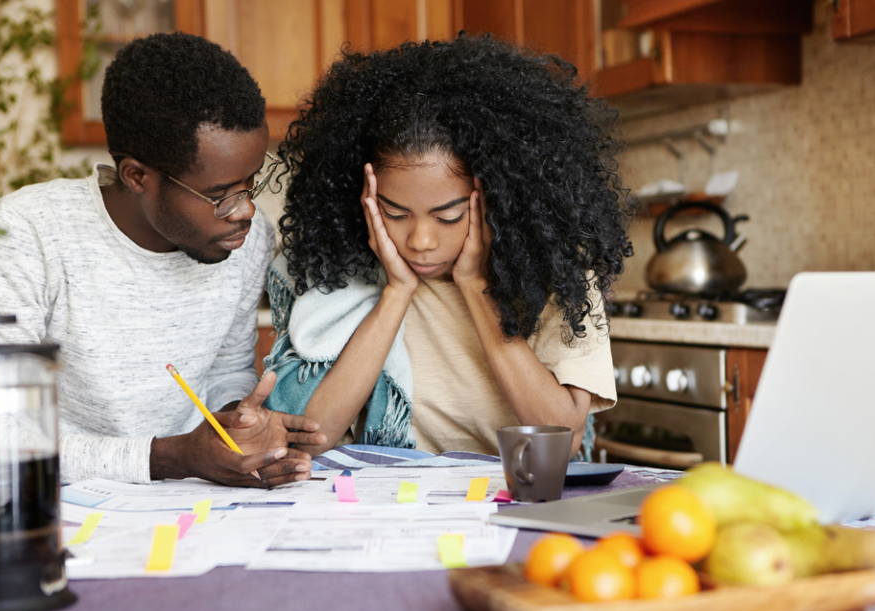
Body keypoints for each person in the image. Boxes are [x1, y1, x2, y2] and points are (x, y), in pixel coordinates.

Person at [0, 32, 325, 487]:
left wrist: (238, 422)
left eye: (250, 182)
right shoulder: (28, 233)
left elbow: (225, 372)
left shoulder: (246, 242)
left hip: (187, 509)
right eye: (218, 195)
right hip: (55, 513)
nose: (246, 209)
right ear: (137, 176)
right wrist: (170, 458)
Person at [262, 34, 632, 461]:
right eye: (395, 214)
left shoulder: (557, 273)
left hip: (518, 495)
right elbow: (314, 436)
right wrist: (396, 293)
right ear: (366, 195)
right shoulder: (349, 272)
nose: (420, 241)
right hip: (398, 503)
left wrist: (475, 286)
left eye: (449, 216)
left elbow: (562, 439)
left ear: (496, 197)